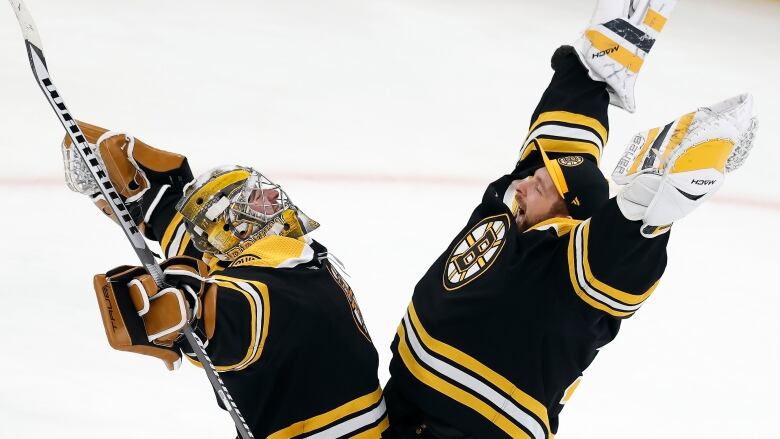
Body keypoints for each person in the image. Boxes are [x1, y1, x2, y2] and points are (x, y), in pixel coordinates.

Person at [383, 0, 757, 438]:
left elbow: (626, 243)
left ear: (567, 212)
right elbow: (555, 147)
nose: (523, 184)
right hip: (400, 406)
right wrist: (593, 67)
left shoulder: (572, 272)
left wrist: (660, 196)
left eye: (539, 186)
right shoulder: (515, 205)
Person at [61, 123, 390, 438]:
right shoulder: (303, 259)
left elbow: (242, 307)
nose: (265, 204)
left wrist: (193, 309)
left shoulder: (270, 296)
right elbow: (213, 257)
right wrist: (153, 202)